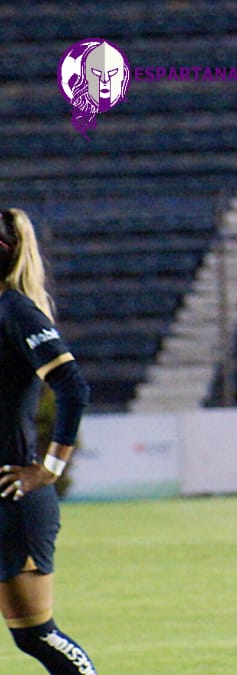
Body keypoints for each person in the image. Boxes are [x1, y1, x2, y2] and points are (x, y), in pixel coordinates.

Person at [0, 208, 98, 674]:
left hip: (11, 498)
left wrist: (50, 469)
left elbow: (73, 386)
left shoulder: (14, 310)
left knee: (36, 637)